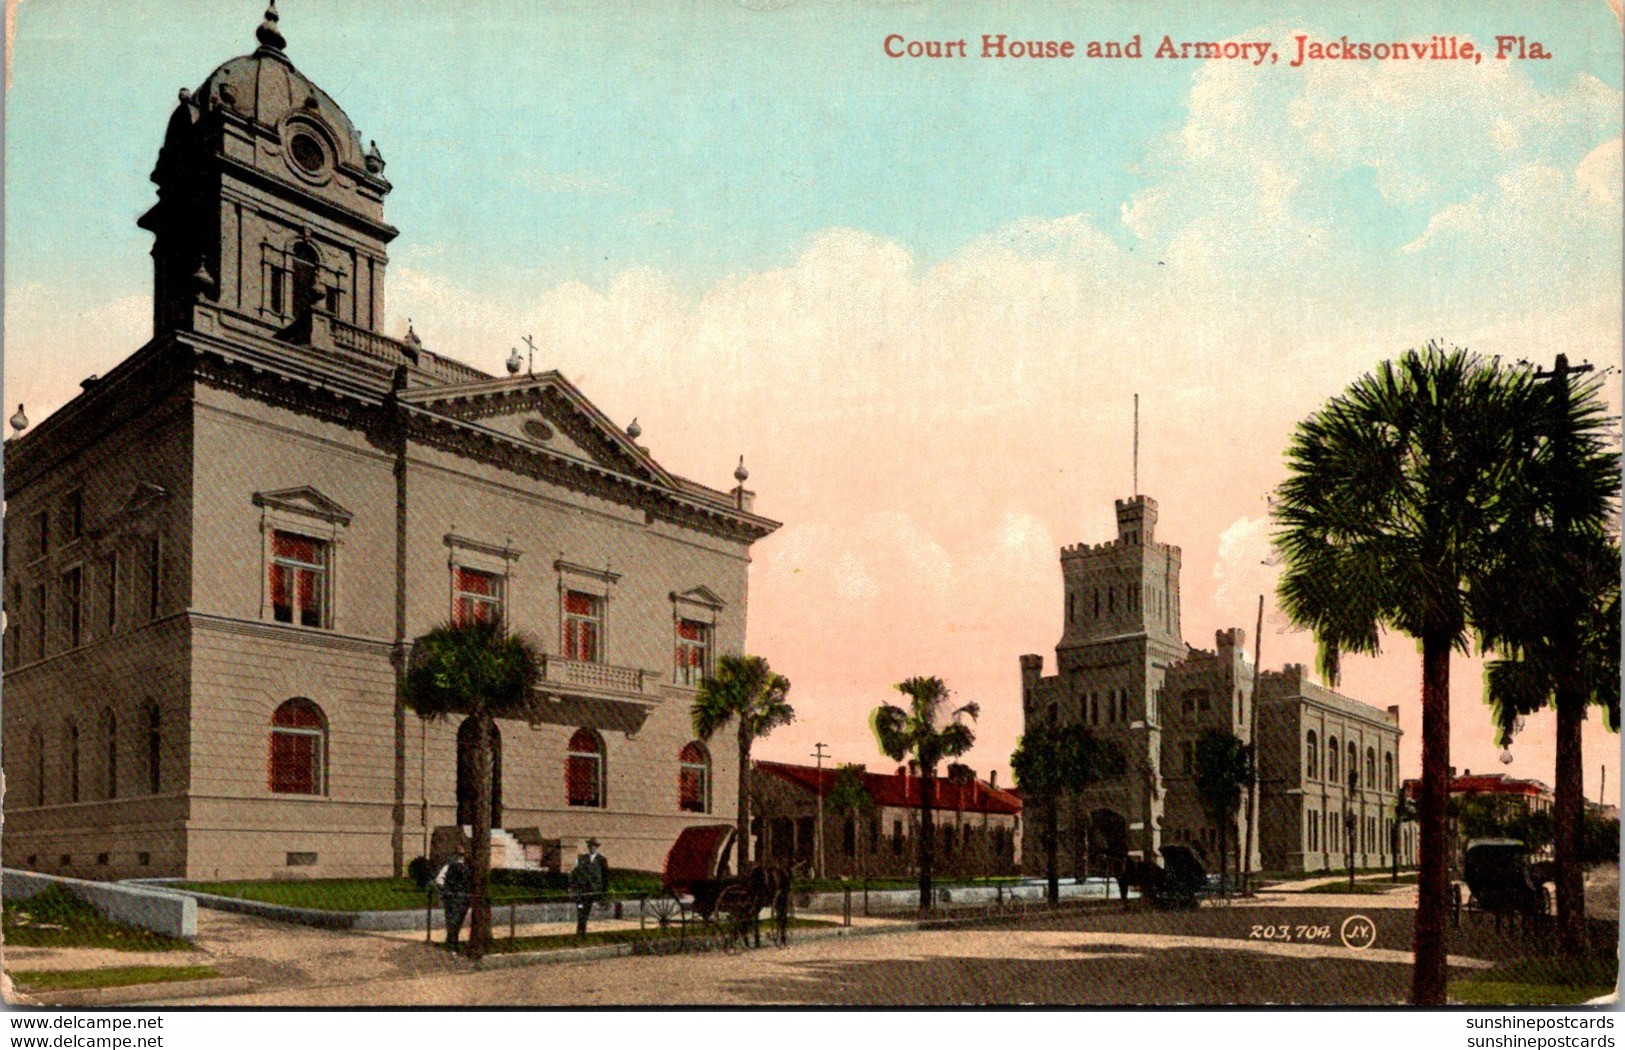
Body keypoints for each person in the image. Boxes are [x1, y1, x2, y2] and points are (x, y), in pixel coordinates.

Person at [571, 837, 609, 937]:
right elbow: (576, 873)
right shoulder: (582, 859)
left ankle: (582, 933)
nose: (592, 848)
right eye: (590, 846)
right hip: (582, 891)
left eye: (594, 846)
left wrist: (603, 893)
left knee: (586, 911)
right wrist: (574, 888)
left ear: (597, 848)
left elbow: (605, 877)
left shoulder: (601, 860)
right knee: (580, 910)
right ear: (588, 847)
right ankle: (580, 933)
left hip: (593, 891)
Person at [435, 850, 472, 950]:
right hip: (462, 897)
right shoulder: (467, 868)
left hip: (451, 896)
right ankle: (452, 942)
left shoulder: (449, 866)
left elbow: (439, 880)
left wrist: (445, 889)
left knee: (452, 919)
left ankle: (451, 940)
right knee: (457, 920)